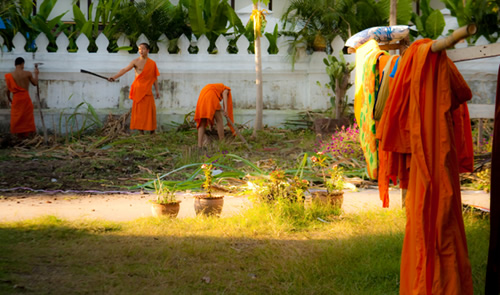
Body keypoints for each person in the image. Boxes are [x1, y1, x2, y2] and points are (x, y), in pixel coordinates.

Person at [108, 43, 160, 134]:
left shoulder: (152, 63)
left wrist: (157, 90)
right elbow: (124, 70)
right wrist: (114, 77)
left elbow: (154, 78)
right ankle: (141, 133)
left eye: (143, 49)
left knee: (150, 111)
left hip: (147, 91)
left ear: (148, 50)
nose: (141, 51)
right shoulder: (135, 61)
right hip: (138, 89)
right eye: (139, 49)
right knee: (139, 112)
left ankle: (152, 131)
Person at [4, 57, 38, 138]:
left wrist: (9, 99)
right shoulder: (28, 73)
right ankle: (26, 136)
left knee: (16, 117)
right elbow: (35, 83)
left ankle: (17, 136)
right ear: (23, 64)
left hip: (16, 99)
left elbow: (7, 90)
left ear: (15, 65)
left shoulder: (10, 75)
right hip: (25, 99)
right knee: (26, 117)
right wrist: (36, 74)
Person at [194, 83, 235, 148]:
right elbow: (224, 94)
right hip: (211, 96)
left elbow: (210, 113)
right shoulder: (226, 89)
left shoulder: (215, 87)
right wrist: (226, 109)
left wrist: (211, 125)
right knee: (219, 120)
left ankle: (199, 146)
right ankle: (222, 142)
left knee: (202, 122)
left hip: (202, 97)